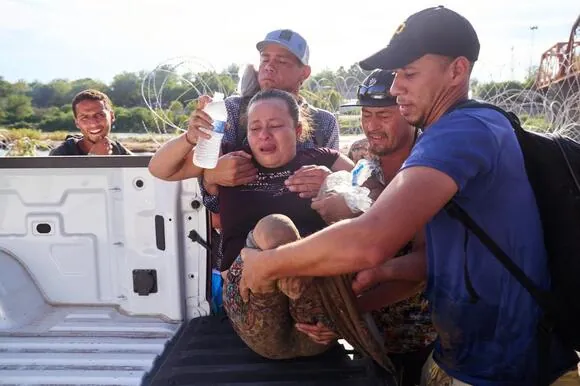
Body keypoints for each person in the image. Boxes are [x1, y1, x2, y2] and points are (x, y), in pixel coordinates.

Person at [238, 6, 578, 385]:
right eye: (398, 74)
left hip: (504, 370)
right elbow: (436, 259)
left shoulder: (460, 132)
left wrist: (268, 265)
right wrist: (367, 291)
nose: (397, 86)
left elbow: (370, 240)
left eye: (410, 74)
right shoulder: (465, 129)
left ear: (457, 70)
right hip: (465, 357)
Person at [302, 69, 436, 386]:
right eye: (366, 114)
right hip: (367, 331)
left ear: (407, 112)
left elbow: (425, 263)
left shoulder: (429, 163)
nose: (372, 126)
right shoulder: (362, 152)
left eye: (383, 115)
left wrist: (347, 312)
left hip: (420, 337)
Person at [49, 89, 132, 156]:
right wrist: (93, 158)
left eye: (99, 115)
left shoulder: (119, 151)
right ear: (77, 123)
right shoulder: (61, 153)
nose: (93, 123)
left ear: (112, 116)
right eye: (84, 117)